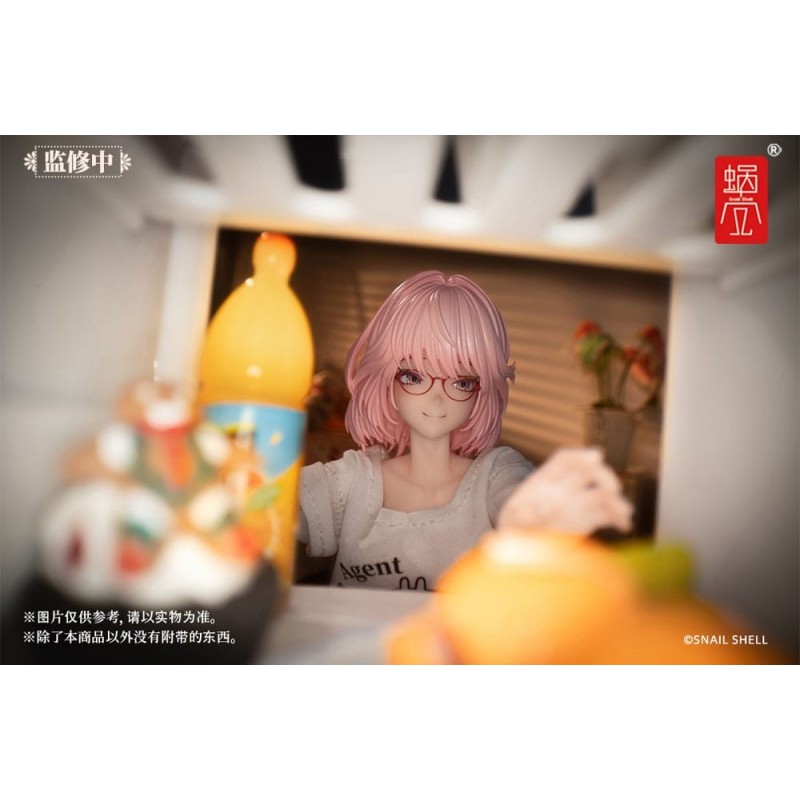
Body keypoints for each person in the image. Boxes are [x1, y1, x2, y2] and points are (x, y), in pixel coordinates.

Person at [297, 270, 632, 590]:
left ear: (482, 389)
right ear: (387, 379)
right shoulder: (353, 481)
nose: (437, 397)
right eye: (413, 377)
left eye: (461, 382)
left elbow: (521, 502)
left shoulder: (493, 475)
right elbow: (275, 504)